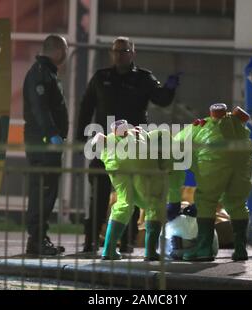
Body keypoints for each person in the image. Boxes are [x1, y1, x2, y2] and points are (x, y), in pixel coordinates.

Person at [76, 36, 181, 254]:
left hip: (135, 147)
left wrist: (170, 88)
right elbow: (86, 106)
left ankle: (127, 242)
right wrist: (79, 137)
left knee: (134, 193)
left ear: (133, 53)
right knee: (99, 192)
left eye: (124, 51)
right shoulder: (101, 77)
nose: (119, 55)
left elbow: (161, 99)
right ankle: (91, 241)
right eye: (116, 51)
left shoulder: (143, 78)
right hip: (107, 145)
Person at [167, 104, 252, 261]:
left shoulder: (177, 143)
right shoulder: (234, 126)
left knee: (206, 200)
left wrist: (174, 203)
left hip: (212, 155)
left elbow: (175, 176)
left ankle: (204, 249)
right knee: (237, 203)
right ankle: (241, 249)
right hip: (244, 155)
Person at [94, 120, 169, 261]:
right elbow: (164, 135)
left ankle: (108, 251)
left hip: (114, 160)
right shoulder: (145, 135)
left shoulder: (111, 138)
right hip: (139, 161)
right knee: (153, 203)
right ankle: (151, 252)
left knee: (124, 203)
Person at [23, 35, 69, 255]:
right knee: (43, 191)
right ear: (58, 50)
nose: (67, 55)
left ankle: (39, 238)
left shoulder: (47, 72)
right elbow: (41, 109)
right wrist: (52, 135)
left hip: (45, 143)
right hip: (43, 144)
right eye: (66, 50)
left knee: (46, 191)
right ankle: (37, 240)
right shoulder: (40, 75)